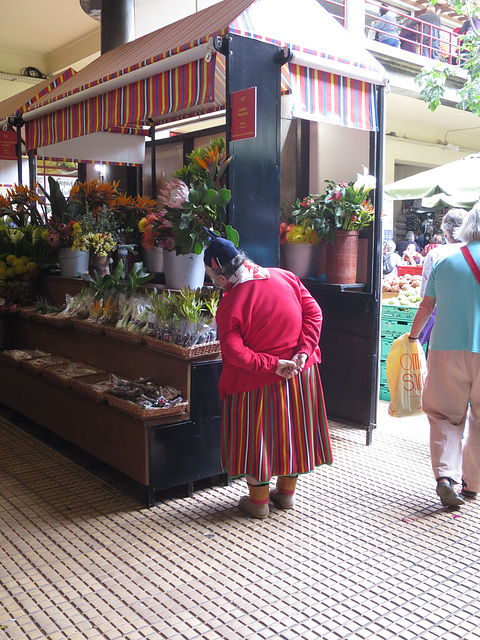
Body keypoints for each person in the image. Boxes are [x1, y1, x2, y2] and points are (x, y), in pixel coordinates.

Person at [203, 237, 332, 519]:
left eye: (214, 280)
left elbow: (236, 354)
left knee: (255, 438)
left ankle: (259, 502)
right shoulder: (286, 277)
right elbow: (314, 314)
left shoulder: (229, 305)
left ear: (222, 277)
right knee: (293, 434)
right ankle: (286, 495)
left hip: (255, 383)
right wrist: (303, 352)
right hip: (301, 376)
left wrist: (273, 365)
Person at [408, 202, 480, 508]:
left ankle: (445, 477)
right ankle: (472, 484)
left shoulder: (446, 260)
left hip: (446, 349)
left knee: (444, 416)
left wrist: (412, 337)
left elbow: (426, 307)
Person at [418, 209, 467, 349]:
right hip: (470, 325)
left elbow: (426, 300)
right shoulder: (475, 253)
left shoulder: (436, 254)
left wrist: (413, 337)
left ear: (446, 231)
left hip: (442, 325)